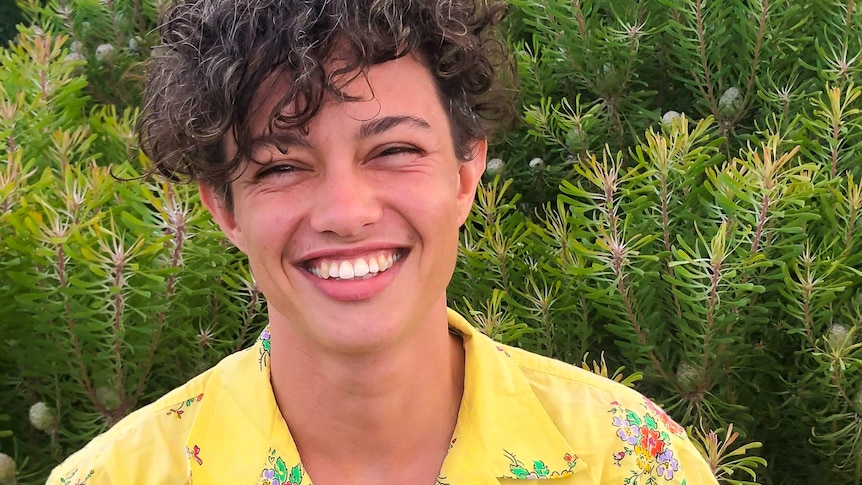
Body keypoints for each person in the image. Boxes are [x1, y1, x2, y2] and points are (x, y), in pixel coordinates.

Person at [49, 1, 719, 483]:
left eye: (394, 150)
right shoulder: (121, 476)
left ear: (465, 171)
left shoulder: (626, 458)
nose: (346, 211)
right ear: (225, 208)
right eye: (281, 165)